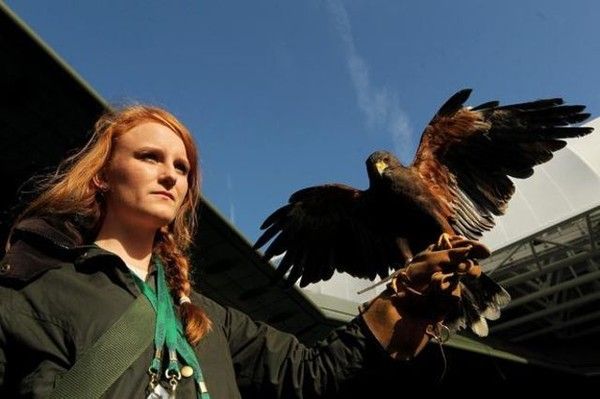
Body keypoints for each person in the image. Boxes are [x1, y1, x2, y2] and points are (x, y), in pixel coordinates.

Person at [0, 105, 488, 398]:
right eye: (150, 157)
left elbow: (314, 374)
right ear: (103, 175)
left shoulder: (207, 320)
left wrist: (405, 305)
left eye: (183, 167)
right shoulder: (30, 296)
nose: (171, 174)